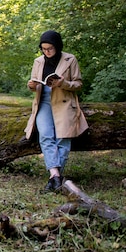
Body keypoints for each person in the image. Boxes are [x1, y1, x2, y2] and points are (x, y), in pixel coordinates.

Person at [24, 30, 88, 192]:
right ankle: (55, 175)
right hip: (43, 101)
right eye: (44, 49)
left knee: (63, 138)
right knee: (45, 134)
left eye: (50, 48)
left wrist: (63, 83)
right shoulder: (38, 61)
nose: (47, 52)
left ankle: (54, 178)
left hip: (64, 102)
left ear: (57, 46)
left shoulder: (70, 59)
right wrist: (31, 86)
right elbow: (33, 82)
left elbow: (78, 84)